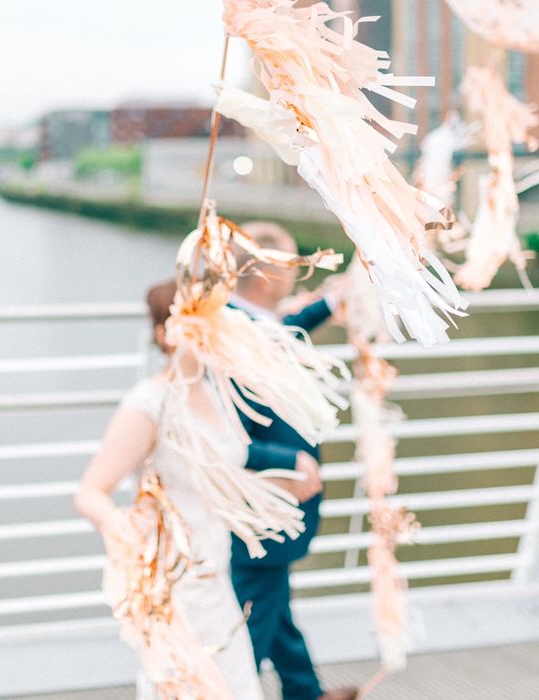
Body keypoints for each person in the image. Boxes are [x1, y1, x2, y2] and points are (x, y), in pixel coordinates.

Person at [76, 279, 277, 699]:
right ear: (166, 333)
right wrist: (125, 532)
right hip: (174, 581)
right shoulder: (148, 404)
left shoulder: (215, 390)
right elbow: (91, 491)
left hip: (217, 577)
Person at [229, 221, 358, 700]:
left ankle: (305, 692)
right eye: (291, 266)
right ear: (266, 275)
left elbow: (280, 335)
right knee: (253, 620)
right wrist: (288, 460)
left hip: (272, 497)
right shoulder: (232, 331)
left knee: (271, 601)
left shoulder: (247, 321)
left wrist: (328, 303)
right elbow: (221, 430)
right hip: (265, 495)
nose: (296, 277)